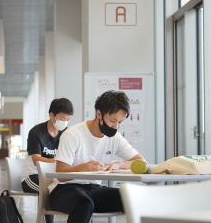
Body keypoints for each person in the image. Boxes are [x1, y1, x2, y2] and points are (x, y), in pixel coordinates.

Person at [48, 90, 147, 223]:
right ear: (99, 114)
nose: (116, 126)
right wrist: (83, 167)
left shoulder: (116, 138)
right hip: (64, 189)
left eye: (120, 122)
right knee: (84, 204)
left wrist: (119, 164)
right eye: (112, 120)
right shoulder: (73, 134)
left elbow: (140, 161)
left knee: (132, 198)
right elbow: (60, 173)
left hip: (94, 190)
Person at [21, 98, 74, 223]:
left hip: (56, 176)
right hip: (33, 176)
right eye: (62, 118)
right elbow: (36, 160)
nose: (65, 122)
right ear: (52, 115)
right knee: (47, 190)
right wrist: (59, 161)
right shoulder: (36, 132)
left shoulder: (67, 134)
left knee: (75, 191)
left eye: (68, 119)